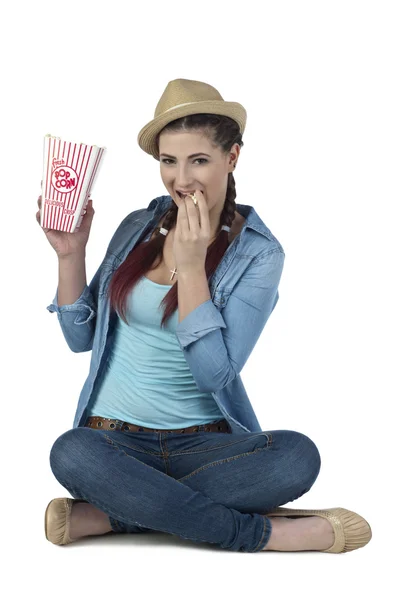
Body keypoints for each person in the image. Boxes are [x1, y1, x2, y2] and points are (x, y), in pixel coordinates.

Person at [38, 78, 372, 553]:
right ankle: (260, 534)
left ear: (232, 157)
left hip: (208, 448)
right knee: (70, 452)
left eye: (199, 160)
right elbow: (80, 338)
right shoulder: (138, 226)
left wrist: (193, 269)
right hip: (112, 445)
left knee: (297, 457)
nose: (181, 179)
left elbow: (215, 372)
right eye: (168, 162)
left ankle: (120, 515)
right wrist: (70, 255)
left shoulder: (259, 253)